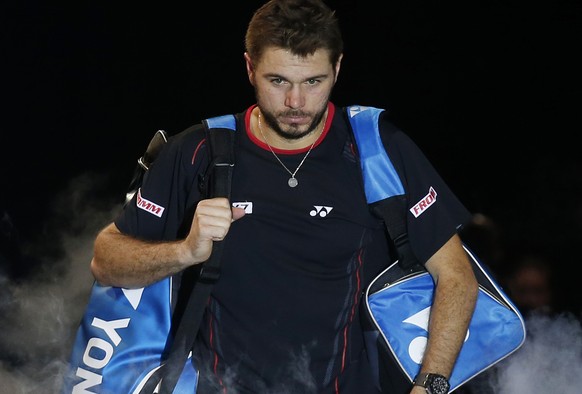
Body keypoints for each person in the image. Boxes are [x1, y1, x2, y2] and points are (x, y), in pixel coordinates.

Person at [90, 0, 479, 393]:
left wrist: (428, 386)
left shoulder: (380, 149)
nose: (295, 102)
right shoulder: (199, 152)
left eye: (313, 81)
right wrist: (185, 251)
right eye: (278, 81)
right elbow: (105, 261)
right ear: (249, 68)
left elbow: (457, 276)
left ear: (337, 69)